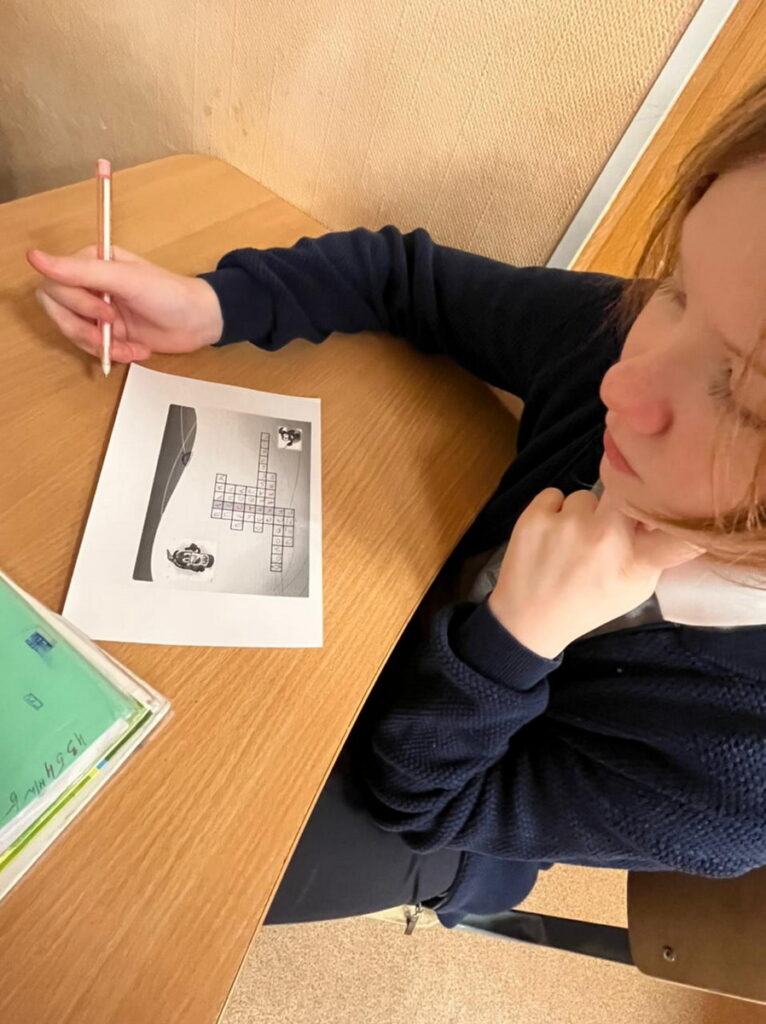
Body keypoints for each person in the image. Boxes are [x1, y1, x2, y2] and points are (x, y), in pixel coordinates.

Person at [27, 79, 766, 930]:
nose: (620, 383)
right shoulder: (637, 345)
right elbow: (408, 278)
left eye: (742, 395)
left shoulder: (739, 780)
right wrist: (216, 305)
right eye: (674, 288)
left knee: (122, 864)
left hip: (448, 805)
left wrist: (518, 637)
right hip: (400, 615)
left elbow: (422, 801)